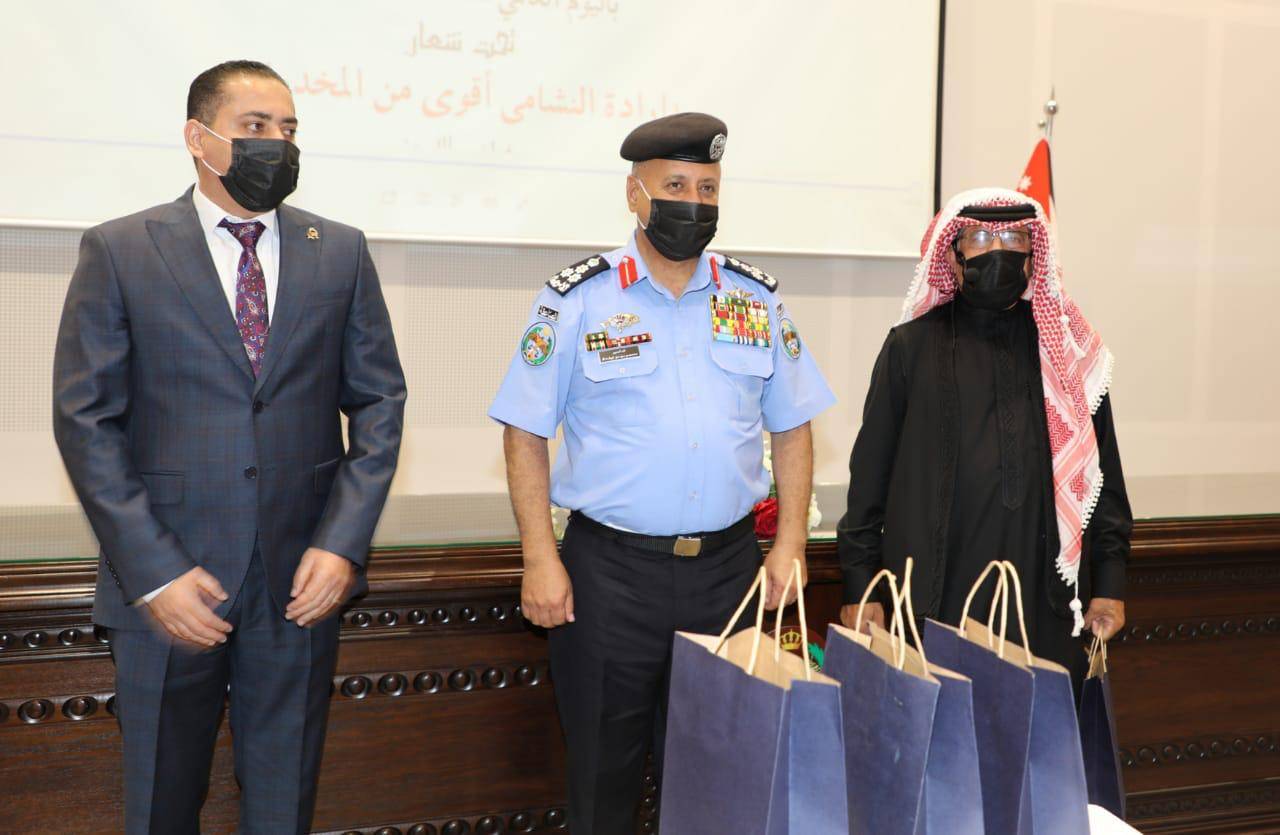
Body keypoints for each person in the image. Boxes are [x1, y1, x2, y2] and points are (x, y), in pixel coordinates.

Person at [52, 60, 406, 833]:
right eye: (255, 127)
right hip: (170, 588)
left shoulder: (340, 250)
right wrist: (154, 572)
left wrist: (341, 545)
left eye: (289, 129)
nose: (277, 143)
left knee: (283, 807)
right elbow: (85, 419)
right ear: (198, 137)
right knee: (161, 803)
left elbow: (380, 402)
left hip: (300, 583)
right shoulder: (121, 248)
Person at [488, 112, 835, 833]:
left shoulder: (754, 297)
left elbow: (794, 424)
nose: (693, 203)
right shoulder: (577, 298)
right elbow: (524, 431)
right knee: (602, 783)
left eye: (708, 188)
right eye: (675, 186)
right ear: (634, 194)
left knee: (719, 783)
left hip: (728, 576)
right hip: (609, 577)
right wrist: (539, 557)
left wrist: (791, 543)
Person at [836, 187, 1131, 685]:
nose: (997, 251)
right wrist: (860, 585)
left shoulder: (1068, 356)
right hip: (933, 603)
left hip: (1044, 606)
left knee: (1041, 732)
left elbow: (1102, 481)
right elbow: (868, 481)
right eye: (978, 238)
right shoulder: (910, 348)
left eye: (1013, 238)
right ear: (952, 257)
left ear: (1033, 255)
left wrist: (1109, 581)